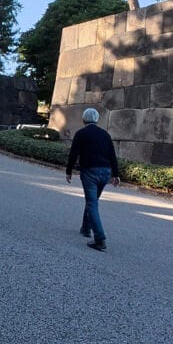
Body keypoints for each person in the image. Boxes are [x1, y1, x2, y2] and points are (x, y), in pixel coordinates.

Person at [66, 107, 120, 252]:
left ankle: (100, 238)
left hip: (89, 170)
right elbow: (112, 155)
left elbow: (73, 154)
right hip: (105, 172)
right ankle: (85, 228)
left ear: (84, 119)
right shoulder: (105, 135)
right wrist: (115, 174)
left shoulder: (81, 134)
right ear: (96, 119)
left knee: (91, 202)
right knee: (93, 200)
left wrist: (69, 171)